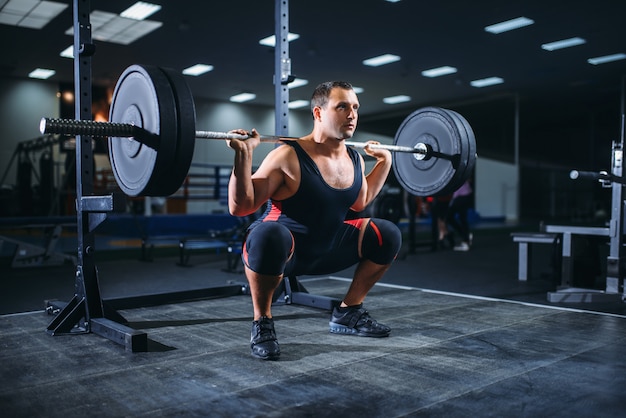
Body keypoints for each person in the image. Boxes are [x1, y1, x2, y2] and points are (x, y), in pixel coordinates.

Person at [226, 81, 402, 360]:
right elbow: (241, 206)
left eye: (355, 107)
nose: (352, 114)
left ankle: (348, 312)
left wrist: (385, 163)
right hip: (284, 252)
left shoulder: (354, 159)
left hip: (327, 248)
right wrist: (243, 156)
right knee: (268, 234)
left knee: (387, 233)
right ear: (318, 113)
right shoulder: (287, 155)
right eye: (342, 106)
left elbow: (359, 201)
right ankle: (263, 323)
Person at [445, 179, 473, 251]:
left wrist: (452, 200)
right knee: (460, 218)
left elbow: (456, 186)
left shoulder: (455, 171)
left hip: (461, 196)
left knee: (450, 217)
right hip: (466, 195)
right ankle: (465, 236)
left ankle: (465, 241)